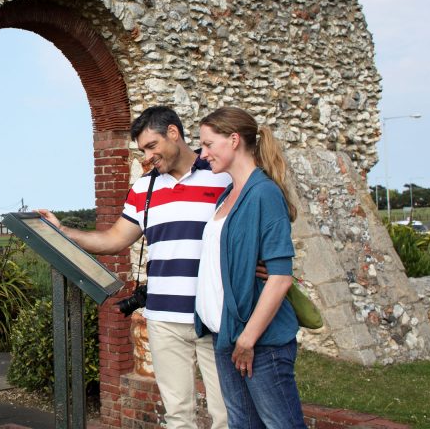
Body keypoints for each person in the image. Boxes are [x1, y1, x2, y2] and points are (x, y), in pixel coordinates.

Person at [37, 106, 229, 429]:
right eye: (143, 150)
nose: (149, 156)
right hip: (164, 320)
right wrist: (63, 231)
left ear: (173, 133)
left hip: (213, 316)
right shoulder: (145, 189)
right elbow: (114, 238)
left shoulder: (221, 175)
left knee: (226, 414)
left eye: (152, 146)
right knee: (178, 416)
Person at [194, 106, 306, 428]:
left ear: (233, 140)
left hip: (259, 342)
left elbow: (280, 278)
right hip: (226, 335)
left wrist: (248, 339)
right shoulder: (228, 195)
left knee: (281, 424)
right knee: (243, 424)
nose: (203, 155)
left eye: (207, 144)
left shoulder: (264, 193)